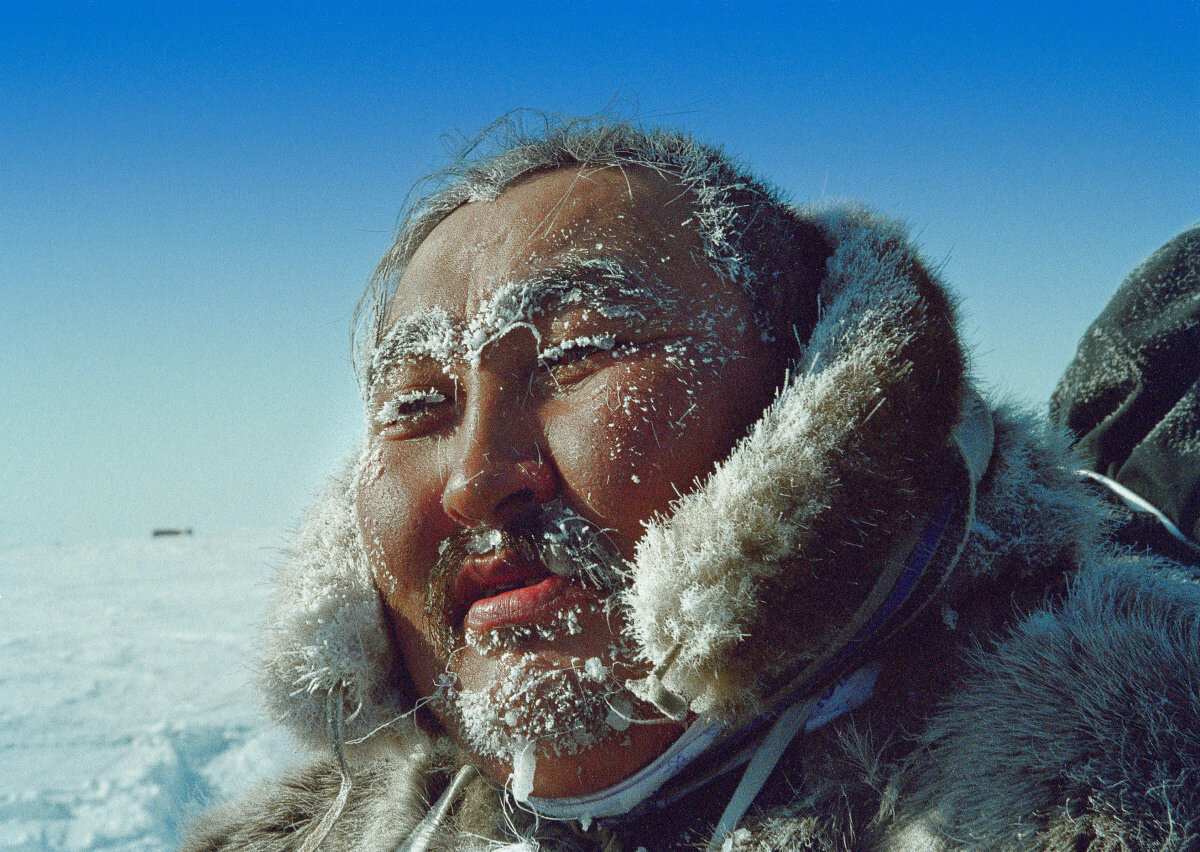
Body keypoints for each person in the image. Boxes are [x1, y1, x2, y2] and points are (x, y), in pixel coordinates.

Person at [185, 120, 1200, 852]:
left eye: (581, 351)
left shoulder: (1090, 796)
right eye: (416, 406)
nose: (474, 481)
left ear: (809, 411)